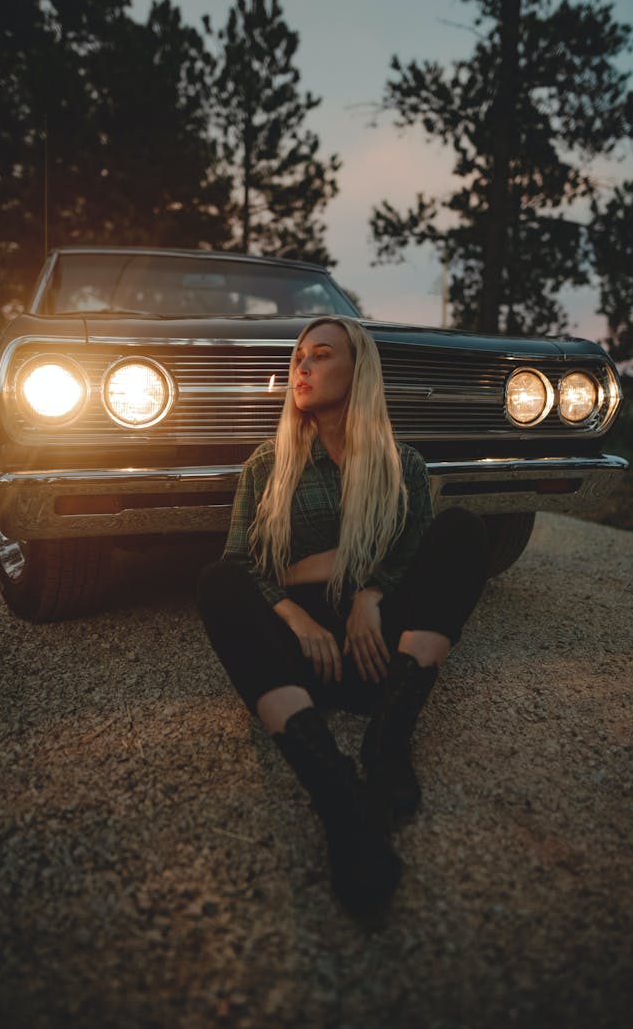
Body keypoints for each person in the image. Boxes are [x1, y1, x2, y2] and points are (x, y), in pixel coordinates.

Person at [197, 316, 488, 918]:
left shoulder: (401, 463)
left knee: (462, 531)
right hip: (300, 659)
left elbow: (413, 552)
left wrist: (369, 592)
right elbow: (241, 564)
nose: (301, 367)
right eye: (299, 356)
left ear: (359, 371)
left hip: (378, 650)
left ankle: (388, 741)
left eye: (321, 355)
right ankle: (339, 802)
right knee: (216, 583)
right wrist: (298, 615)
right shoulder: (266, 465)